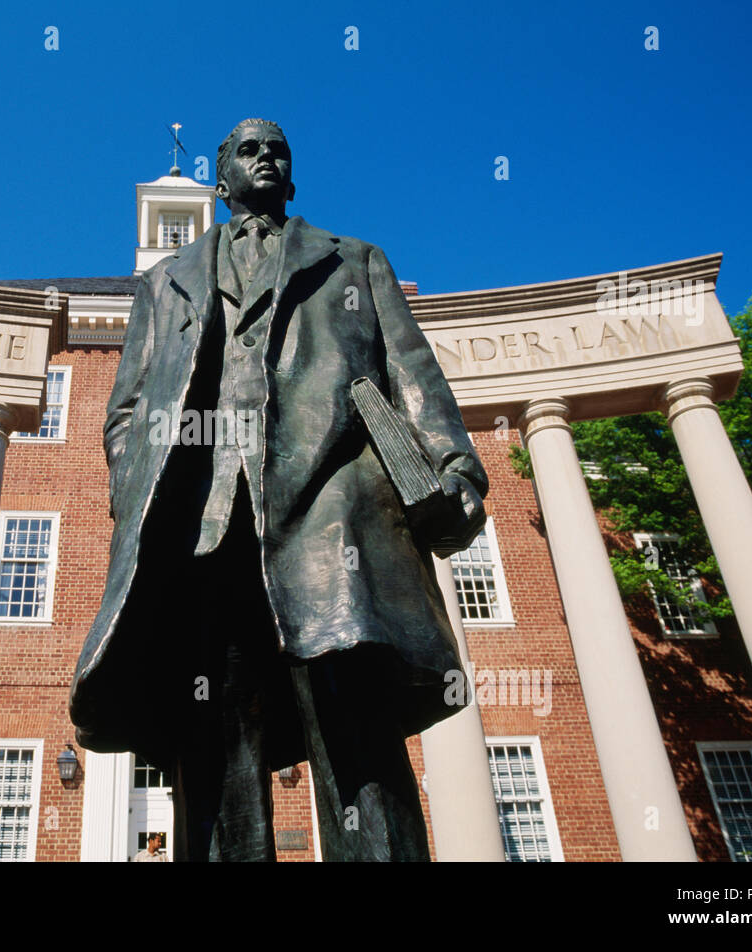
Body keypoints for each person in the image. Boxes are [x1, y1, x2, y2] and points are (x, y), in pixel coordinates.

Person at [70, 118, 487, 861]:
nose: (267, 157)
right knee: (213, 739)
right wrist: (137, 493)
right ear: (220, 176)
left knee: (355, 730)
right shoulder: (164, 283)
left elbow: (414, 377)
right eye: (248, 149)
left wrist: (455, 470)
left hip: (331, 514)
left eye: (279, 149)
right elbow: (128, 411)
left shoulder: (354, 262)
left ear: (292, 175)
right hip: (203, 525)